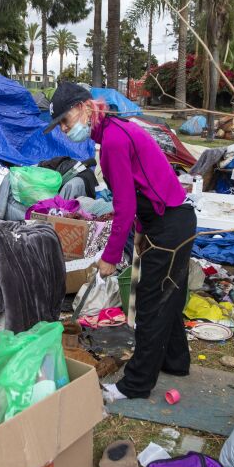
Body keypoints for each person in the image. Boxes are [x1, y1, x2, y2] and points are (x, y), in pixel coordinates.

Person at [45, 82, 196, 402]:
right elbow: (143, 190)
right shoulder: (113, 131)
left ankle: (136, 385)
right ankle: (175, 361)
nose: (63, 128)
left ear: (85, 107)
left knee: (150, 305)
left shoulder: (114, 139)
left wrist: (110, 258)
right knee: (168, 297)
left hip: (170, 224)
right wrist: (142, 231)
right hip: (169, 219)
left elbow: (125, 207)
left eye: (64, 120)